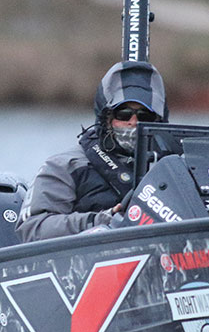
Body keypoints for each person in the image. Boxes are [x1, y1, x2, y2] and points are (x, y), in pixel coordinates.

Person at [16, 61, 167, 242]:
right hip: (89, 256)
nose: (133, 122)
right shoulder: (66, 166)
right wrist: (102, 221)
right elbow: (33, 229)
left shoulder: (174, 166)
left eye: (145, 116)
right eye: (124, 114)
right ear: (107, 118)